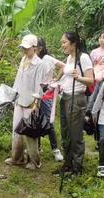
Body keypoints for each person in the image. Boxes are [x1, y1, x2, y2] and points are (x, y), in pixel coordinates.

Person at [56, 31, 95, 177]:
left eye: (64, 42)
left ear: (73, 43)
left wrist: (78, 77)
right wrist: (56, 83)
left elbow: (91, 80)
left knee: (75, 134)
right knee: (65, 132)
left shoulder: (83, 58)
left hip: (77, 98)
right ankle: (67, 164)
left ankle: (77, 168)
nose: (62, 45)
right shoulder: (69, 58)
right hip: (65, 97)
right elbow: (66, 77)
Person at [5, 33, 45, 170]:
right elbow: (18, 80)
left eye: (27, 48)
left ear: (35, 48)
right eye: (23, 48)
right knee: (16, 130)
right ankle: (17, 157)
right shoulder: (23, 60)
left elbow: (39, 85)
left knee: (30, 132)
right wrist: (13, 96)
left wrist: (36, 103)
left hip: (30, 103)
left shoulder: (39, 64)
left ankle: (34, 161)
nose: (25, 51)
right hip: (19, 100)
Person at [36, 37, 63, 162]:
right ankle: (37, 147)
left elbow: (63, 66)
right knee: (35, 119)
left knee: (49, 122)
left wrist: (56, 80)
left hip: (46, 93)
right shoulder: (32, 59)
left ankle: (55, 149)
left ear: (40, 48)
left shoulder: (47, 58)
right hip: (35, 93)